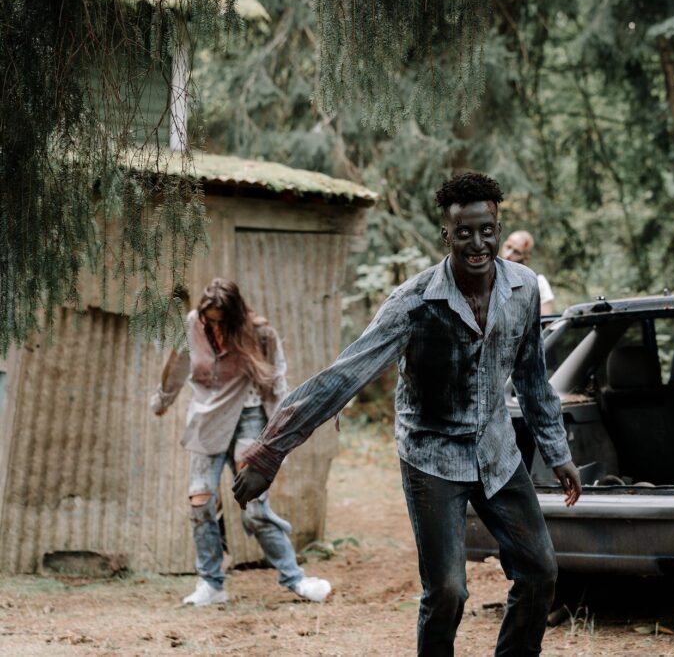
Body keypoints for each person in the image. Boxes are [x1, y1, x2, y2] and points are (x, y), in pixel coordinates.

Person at [233, 172, 582, 656]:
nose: (478, 243)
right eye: (465, 232)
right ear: (447, 234)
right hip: (432, 456)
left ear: (498, 227)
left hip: (497, 452)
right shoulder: (413, 304)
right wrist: (271, 451)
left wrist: (556, 450)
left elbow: (532, 378)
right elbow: (343, 377)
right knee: (447, 591)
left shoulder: (523, 290)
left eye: (487, 230)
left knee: (541, 570)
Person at [151, 278, 331, 606]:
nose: (215, 329)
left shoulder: (260, 334)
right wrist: (163, 399)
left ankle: (296, 580)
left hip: (250, 420)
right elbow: (178, 363)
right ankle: (211, 585)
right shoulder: (192, 324)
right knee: (200, 502)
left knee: (254, 509)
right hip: (207, 421)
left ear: (235, 317)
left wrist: (279, 439)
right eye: (210, 321)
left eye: (222, 322)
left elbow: (277, 383)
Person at [500, 230, 555, 315]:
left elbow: (545, 322)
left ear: (526, 258)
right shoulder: (489, 275)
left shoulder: (538, 282)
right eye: (508, 247)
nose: (508, 255)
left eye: (516, 252)